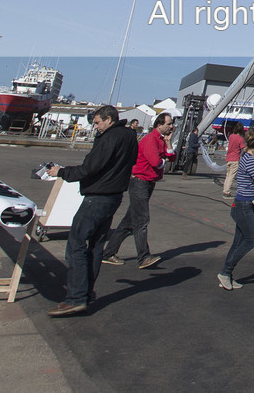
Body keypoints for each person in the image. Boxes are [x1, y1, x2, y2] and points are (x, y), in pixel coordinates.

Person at [44, 105, 137, 317]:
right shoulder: (129, 136)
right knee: (96, 246)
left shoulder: (109, 138)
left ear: (109, 119)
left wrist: (62, 172)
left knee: (76, 244)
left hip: (97, 197)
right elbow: (128, 162)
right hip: (114, 196)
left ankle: (76, 297)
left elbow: (90, 167)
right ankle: (84, 293)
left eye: (97, 123)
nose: (95, 127)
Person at [102, 110, 175, 269]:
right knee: (141, 219)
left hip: (149, 181)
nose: (172, 126)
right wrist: (165, 160)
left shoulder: (161, 140)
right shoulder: (150, 140)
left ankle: (108, 253)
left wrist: (168, 144)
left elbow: (172, 158)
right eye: (169, 124)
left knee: (128, 221)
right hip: (140, 181)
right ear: (159, 125)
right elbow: (156, 161)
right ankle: (143, 256)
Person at [217, 128, 254, 290]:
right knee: (250, 240)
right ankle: (226, 272)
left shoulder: (246, 157)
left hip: (243, 203)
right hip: (245, 205)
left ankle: (227, 274)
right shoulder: (251, 161)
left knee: (238, 241)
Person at [222, 122, 244, 197]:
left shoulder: (231, 136)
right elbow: (243, 148)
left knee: (228, 175)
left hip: (229, 158)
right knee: (231, 176)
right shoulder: (240, 139)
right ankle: (227, 191)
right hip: (235, 159)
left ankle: (225, 189)